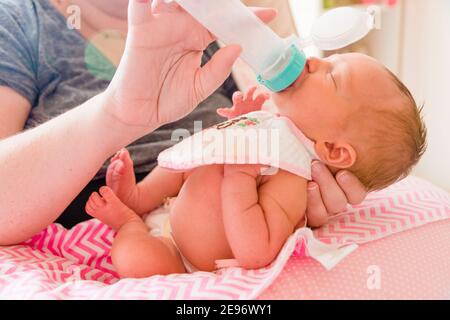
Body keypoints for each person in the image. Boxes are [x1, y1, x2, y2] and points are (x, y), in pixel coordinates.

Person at [0, 0, 367, 246]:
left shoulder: (200, 18)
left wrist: (298, 191)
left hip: (242, 202)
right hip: (122, 211)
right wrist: (115, 115)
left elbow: (250, 118)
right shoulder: (19, 22)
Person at [83, 53, 426, 277]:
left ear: (334, 151)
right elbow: (211, 150)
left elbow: (255, 251)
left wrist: (240, 178)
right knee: (196, 158)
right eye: (329, 59)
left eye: (333, 77)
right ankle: (140, 196)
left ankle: (129, 223)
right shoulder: (276, 125)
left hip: (178, 253)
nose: (314, 61)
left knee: (134, 260)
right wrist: (241, 123)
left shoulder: (291, 176)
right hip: (171, 203)